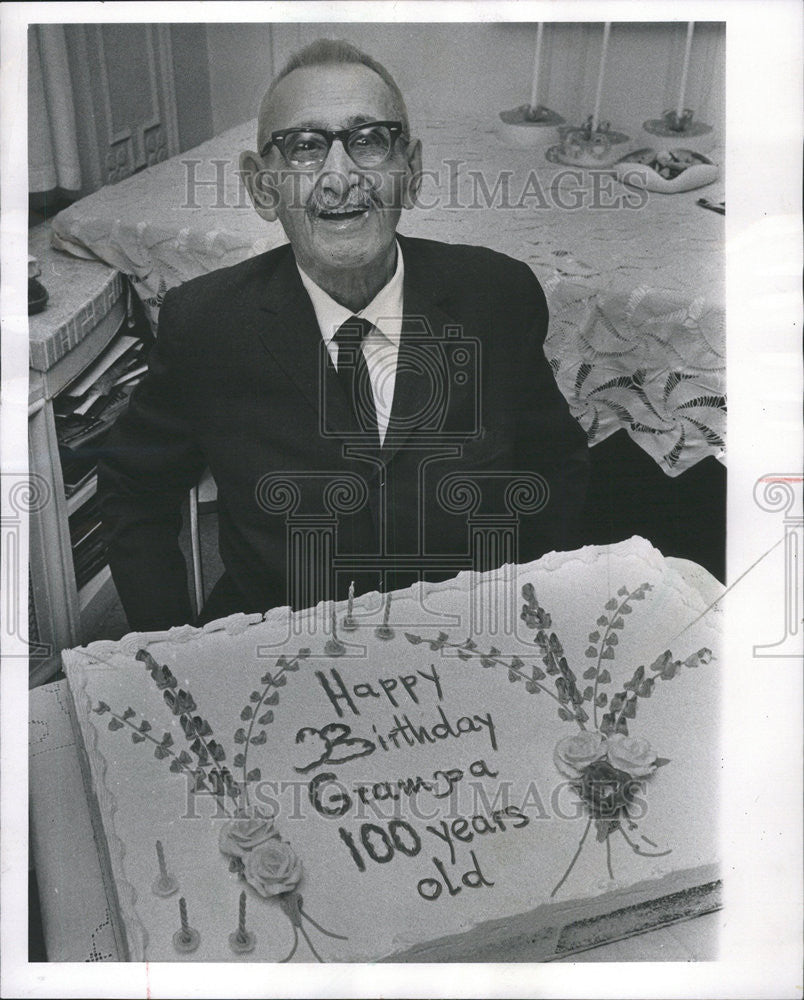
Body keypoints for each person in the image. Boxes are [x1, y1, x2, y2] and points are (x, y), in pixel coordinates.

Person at [98, 39, 589, 632]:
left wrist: (529, 611)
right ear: (262, 187)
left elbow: (554, 471)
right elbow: (133, 487)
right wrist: (166, 643)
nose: (339, 177)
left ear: (411, 171)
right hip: (276, 653)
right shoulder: (205, 326)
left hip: (468, 643)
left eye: (368, 140)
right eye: (304, 147)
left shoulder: (497, 298)